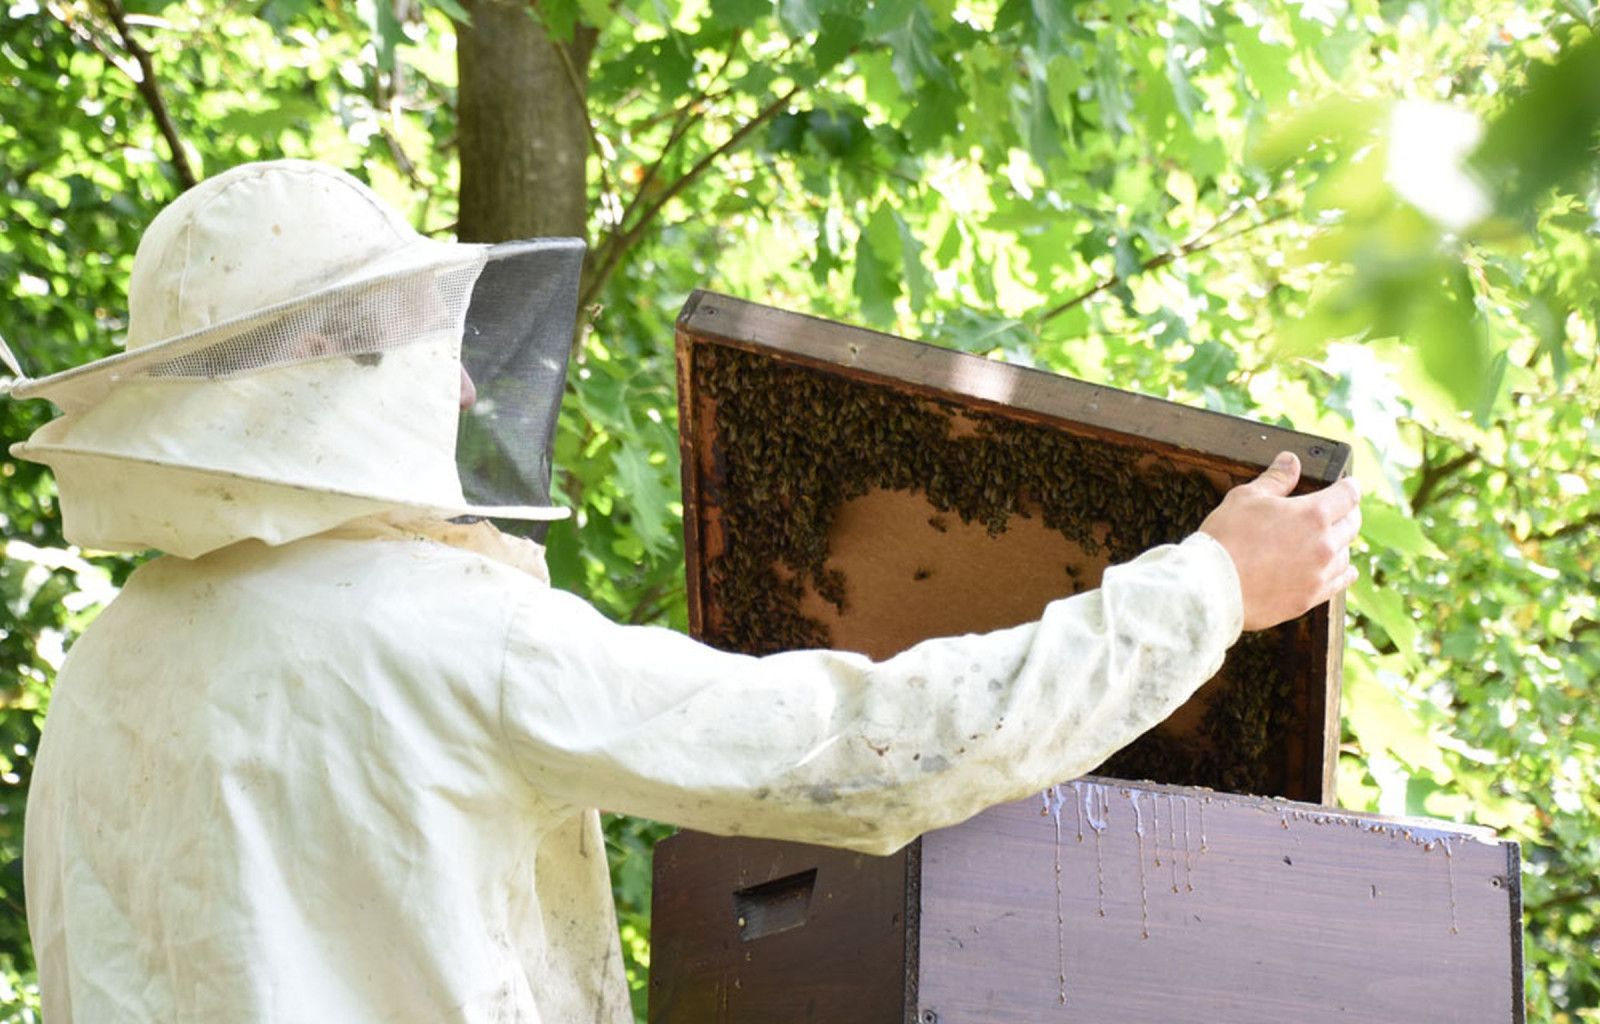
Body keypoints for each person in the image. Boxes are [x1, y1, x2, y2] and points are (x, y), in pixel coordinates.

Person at [6, 161, 1359, 1023]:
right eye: (410, 341)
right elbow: (865, 756)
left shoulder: (101, 674)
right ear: (322, 367)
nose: (464, 383)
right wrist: (1205, 593)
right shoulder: (439, 633)